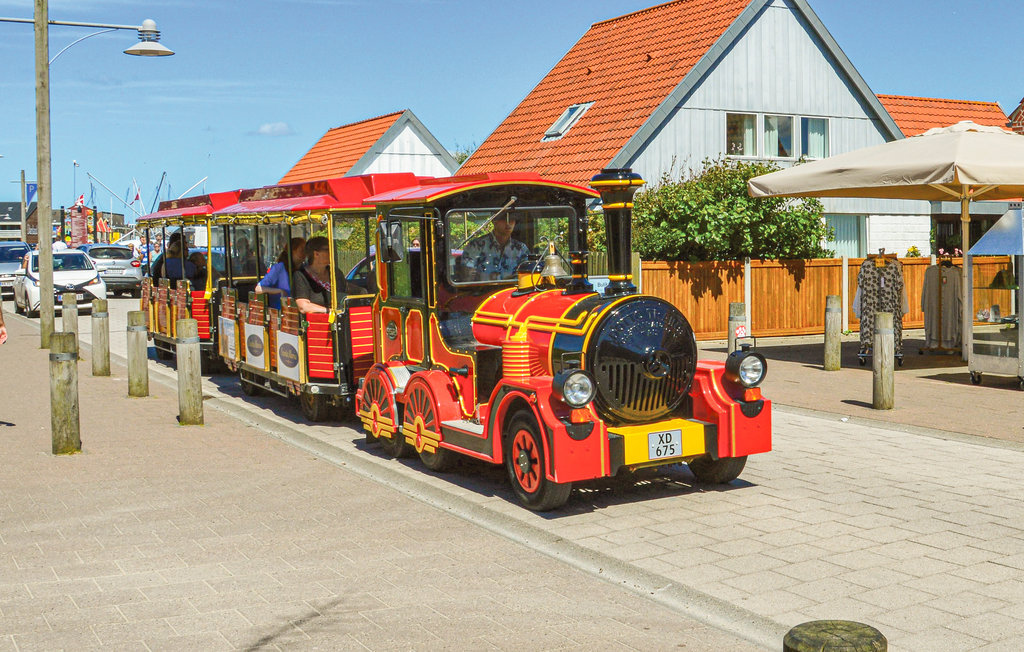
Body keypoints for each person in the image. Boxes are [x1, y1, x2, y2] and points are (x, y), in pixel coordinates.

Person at [460, 213, 530, 281]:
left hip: (511, 291)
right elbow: (467, 278)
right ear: (494, 221)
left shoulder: (521, 249)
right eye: (504, 219)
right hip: (482, 291)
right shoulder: (475, 246)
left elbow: (527, 277)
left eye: (512, 219)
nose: (508, 223)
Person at [292, 236, 344, 314]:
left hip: (340, 321)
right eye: (327, 250)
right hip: (316, 323)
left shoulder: (336, 273)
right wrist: (329, 311)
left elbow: (344, 296)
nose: (332, 253)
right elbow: (303, 306)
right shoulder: (300, 276)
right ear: (316, 254)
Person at [256, 237, 305, 310]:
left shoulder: (304, 268)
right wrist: (280, 291)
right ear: (292, 251)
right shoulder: (279, 268)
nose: (305, 253)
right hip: (281, 312)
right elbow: (258, 289)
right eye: (302, 250)